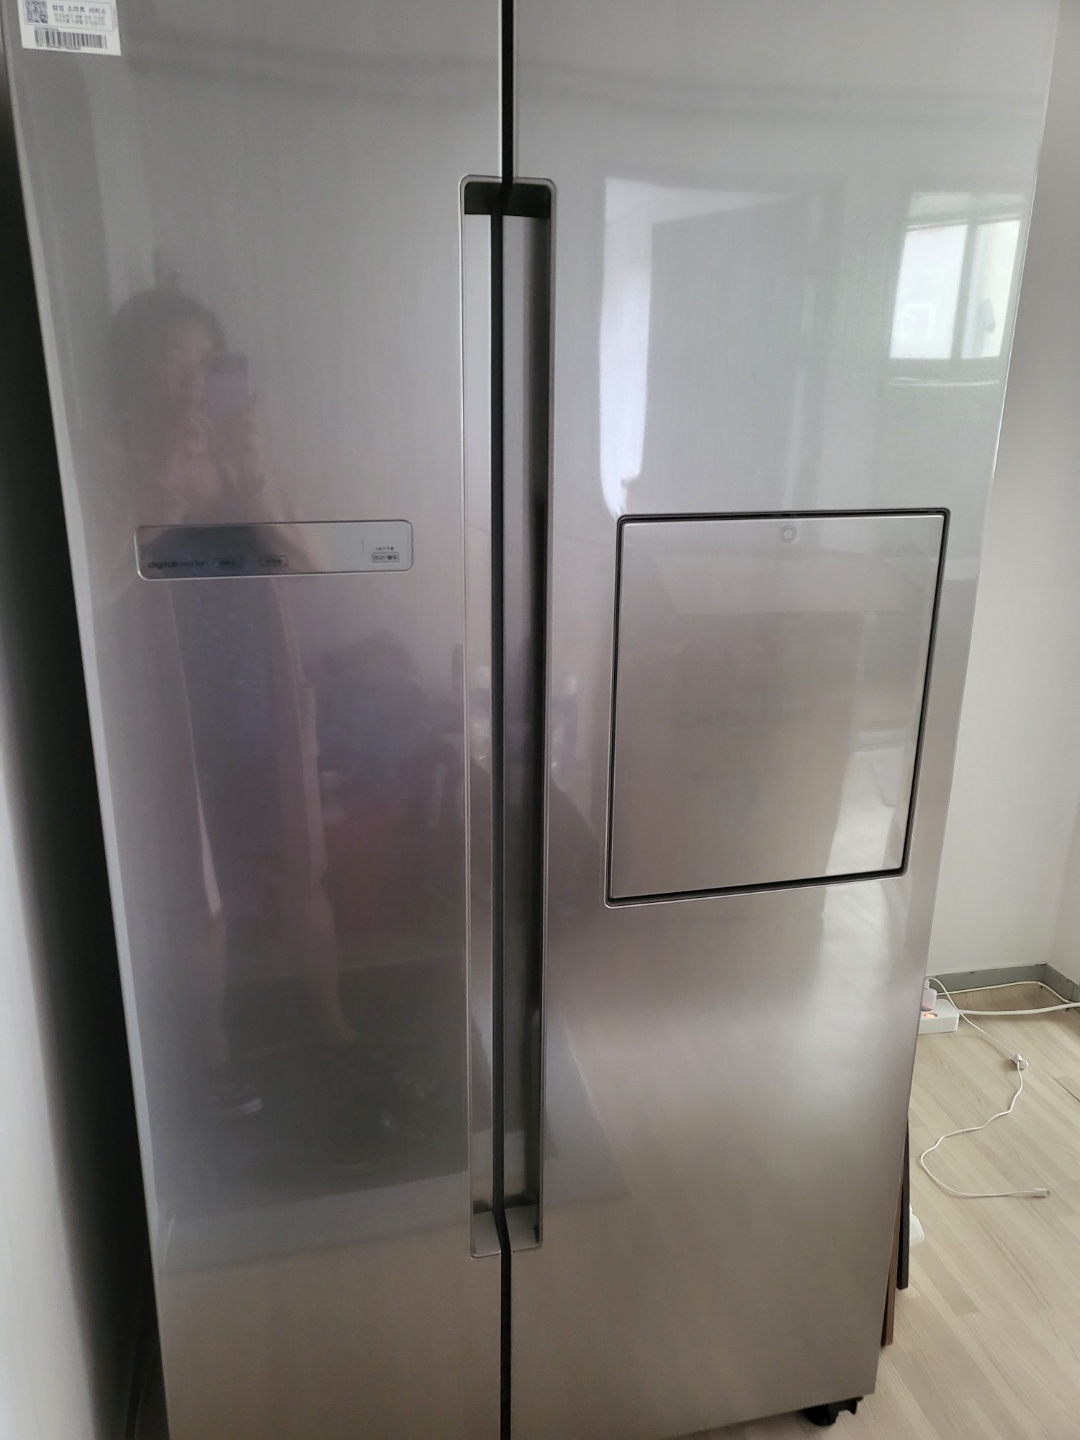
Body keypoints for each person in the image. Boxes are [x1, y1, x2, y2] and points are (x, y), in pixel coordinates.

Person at [108, 289, 355, 1121]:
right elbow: (95, 582)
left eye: (203, 362)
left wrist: (254, 479)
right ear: (136, 372)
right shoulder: (112, 457)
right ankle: (212, 1053)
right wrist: (160, 489)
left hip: (262, 689)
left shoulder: (241, 455)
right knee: (199, 896)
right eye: (170, 361)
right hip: (174, 708)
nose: (189, 379)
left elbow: (314, 561)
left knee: (299, 872)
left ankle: (333, 1026)